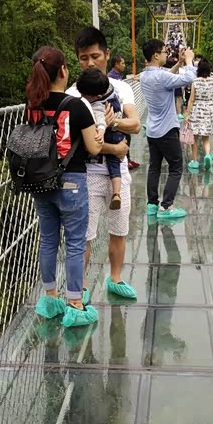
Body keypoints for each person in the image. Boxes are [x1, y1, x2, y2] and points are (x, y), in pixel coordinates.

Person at [25, 46, 103, 328]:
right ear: (63, 71)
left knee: (47, 239)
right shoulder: (76, 106)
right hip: (71, 180)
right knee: (74, 242)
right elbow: (94, 149)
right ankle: (75, 303)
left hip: (40, 181)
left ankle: (50, 297)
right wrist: (100, 135)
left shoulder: (32, 105)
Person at [67, 26, 141, 301]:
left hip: (117, 172)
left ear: (107, 55)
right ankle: (81, 287)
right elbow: (78, 139)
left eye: (95, 56)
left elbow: (135, 124)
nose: (90, 63)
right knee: (84, 235)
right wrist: (116, 147)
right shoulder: (73, 94)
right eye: (84, 58)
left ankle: (116, 278)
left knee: (119, 228)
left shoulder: (121, 88)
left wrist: (114, 122)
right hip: (85, 173)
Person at [138, 39, 197, 220]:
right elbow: (188, 78)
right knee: (176, 167)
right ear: (156, 55)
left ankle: (152, 205)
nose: (167, 55)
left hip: (152, 130)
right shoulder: (161, 77)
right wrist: (188, 61)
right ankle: (167, 206)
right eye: (164, 52)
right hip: (167, 130)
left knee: (154, 167)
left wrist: (178, 64)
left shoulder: (144, 76)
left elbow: (166, 79)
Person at [76, 67, 125, 211]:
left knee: (113, 161)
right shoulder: (111, 89)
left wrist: (102, 131)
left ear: (98, 96)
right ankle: (116, 193)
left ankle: (116, 193)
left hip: (109, 136)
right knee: (115, 164)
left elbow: (102, 121)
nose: (83, 97)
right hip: (118, 136)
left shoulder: (98, 104)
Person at [185, 58, 213, 170]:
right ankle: (207, 155)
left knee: (194, 139)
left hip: (197, 110)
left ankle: (194, 162)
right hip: (208, 110)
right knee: (206, 138)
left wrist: (187, 114)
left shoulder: (195, 82)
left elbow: (191, 100)